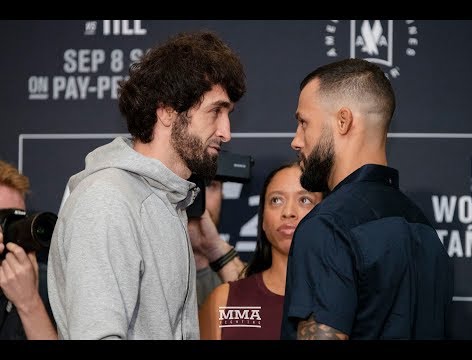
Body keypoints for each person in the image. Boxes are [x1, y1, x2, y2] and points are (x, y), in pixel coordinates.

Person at [47, 30, 246, 340]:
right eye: (215, 111)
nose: (226, 131)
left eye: (228, 114)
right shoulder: (108, 200)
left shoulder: (169, 200)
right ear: (166, 111)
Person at [281, 58, 453, 340]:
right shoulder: (426, 231)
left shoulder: (327, 226)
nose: (296, 140)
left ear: (343, 121)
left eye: (303, 122)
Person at [199, 162, 322, 340]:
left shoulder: (347, 298)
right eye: (276, 200)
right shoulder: (224, 301)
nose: (288, 212)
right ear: (262, 219)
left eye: (304, 200)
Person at [0, 160, 57, 340]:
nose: (13, 229)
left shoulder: (48, 284)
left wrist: (29, 302)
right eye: (3, 219)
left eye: (18, 219)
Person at [188, 179, 245, 308]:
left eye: (209, 185)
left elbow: (256, 317)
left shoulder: (245, 273)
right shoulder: (142, 269)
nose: (196, 196)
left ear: (222, 195)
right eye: (187, 183)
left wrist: (216, 250)